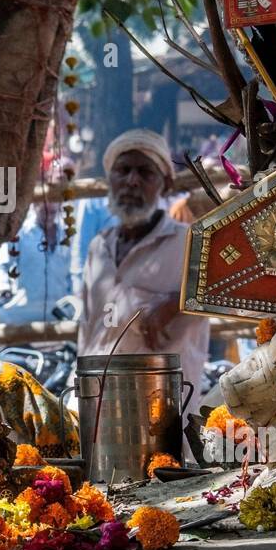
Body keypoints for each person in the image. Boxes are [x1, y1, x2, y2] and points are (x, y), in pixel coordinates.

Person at [78, 129, 210, 457]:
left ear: (164, 184)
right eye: (123, 171)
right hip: (101, 417)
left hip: (163, 418)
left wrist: (176, 302)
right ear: (109, 179)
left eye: (145, 172)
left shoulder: (190, 243)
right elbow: (87, 331)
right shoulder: (99, 247)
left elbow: (226, 294)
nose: (132, 181)